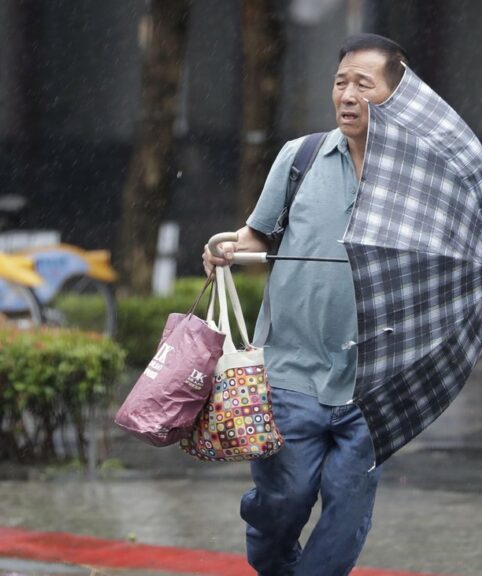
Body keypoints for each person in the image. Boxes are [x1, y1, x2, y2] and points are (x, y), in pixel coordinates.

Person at [203, 34, 408, 575]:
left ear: (395, 94)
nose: (348, 95)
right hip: (291, 371)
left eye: (364, 85)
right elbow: (257, 236)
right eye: (341, 82)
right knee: (284, 502)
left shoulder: (413, 181)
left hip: (371, 380)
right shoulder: (301, 156)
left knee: (346, 511)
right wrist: (225, 246)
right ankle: (266, 526)